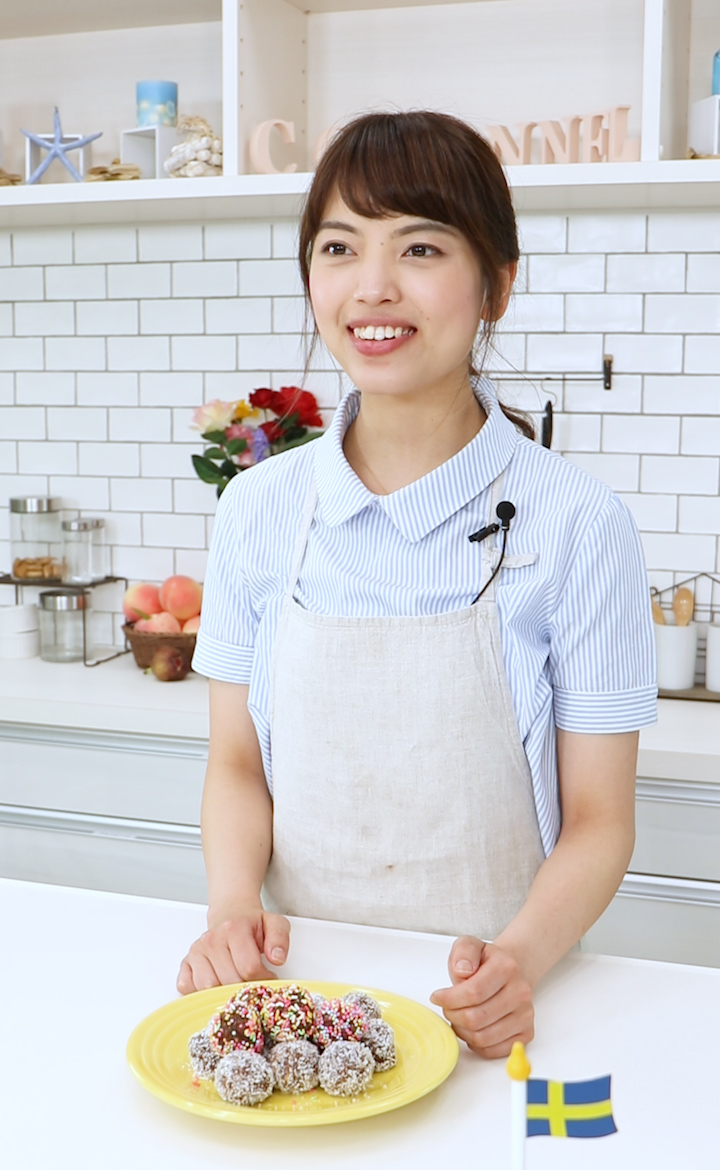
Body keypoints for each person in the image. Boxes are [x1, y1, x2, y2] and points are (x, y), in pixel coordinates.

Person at [182, 111, 656, 1058]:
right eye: (339, 247)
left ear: (497, 286)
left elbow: (601, 822)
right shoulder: (258, 508)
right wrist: (232, 909)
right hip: (300, 997)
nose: (373, 286)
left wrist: (517, 964)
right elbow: (236, 764)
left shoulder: (579, 523)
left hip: (494, 1004)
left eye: (421, 247)